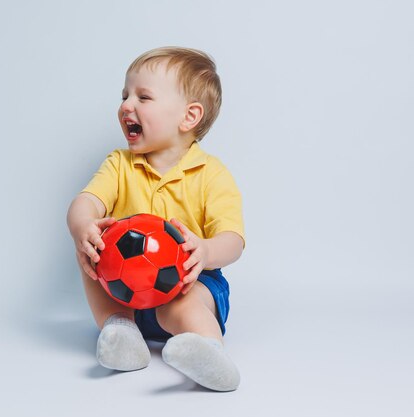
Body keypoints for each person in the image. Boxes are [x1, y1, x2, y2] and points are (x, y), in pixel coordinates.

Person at [66, 46, 244, 392]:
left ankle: (208, 352)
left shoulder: (212, 174)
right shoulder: (118, 164)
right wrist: (82, 226)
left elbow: (233, 239)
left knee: (184, 303)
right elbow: (86, 201)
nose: (126, 106)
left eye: (143, 97)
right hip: (124, 291)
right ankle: (120, 332)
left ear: (189, 117)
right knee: (90, 253)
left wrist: (205, 251)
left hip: (189, 285)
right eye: (124, 95)